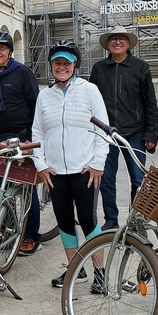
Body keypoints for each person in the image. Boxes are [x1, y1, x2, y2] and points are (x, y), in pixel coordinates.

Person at [31, 41, 108, 292]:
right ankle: (76, 270)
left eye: (66, 62)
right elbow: (37, 133)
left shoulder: (89, 90)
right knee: (64, 221)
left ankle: (100, 273)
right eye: (57, 63)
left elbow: (103, 131)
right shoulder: (44, 95)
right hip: (55, 172)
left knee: (88, 220)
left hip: (84, 169)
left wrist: (97, 163)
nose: (61, 67)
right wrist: (41, 164)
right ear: (51, 66)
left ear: (75, 65)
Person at [89, 25, 158, 230]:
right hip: (106, 133)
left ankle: (137, 219)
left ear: (128, 44)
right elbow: (91, 103)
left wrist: (151, 132)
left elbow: (150, 103)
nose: (117, 42)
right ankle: (111, 219)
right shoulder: (99, 69)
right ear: (108, 45)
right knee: (106, 179)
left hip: (135, 132)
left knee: (139, 180)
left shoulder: (140, 67)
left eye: (122, 39)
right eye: (113, 39)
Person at [0, 31, 42, 256]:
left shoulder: (22, 73)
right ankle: (8, 230)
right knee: (2, 191)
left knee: (26, 189)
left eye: (1, 49)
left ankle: (31, 236)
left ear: (9, 52)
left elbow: (36, 105)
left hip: (22, 137)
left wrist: (33, 139)